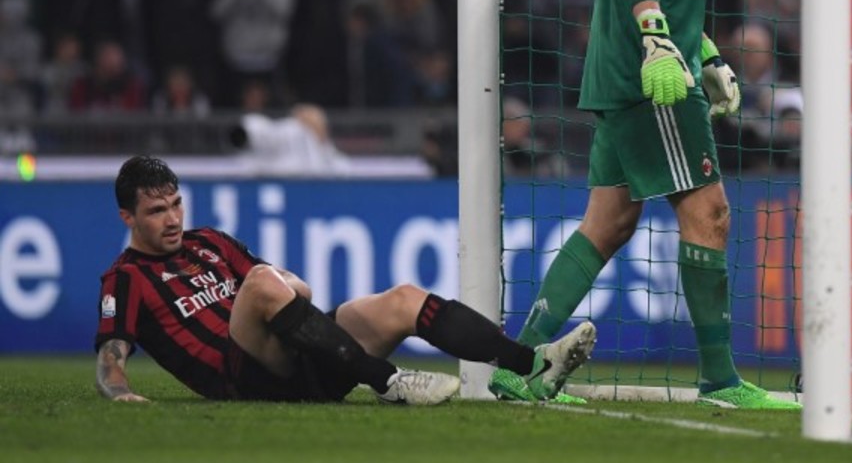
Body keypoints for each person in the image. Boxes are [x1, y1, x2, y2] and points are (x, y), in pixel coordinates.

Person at [489, 0, 798, 409]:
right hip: (652, 75)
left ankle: (518, 367)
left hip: (639, 67)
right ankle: (720, 382)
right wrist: (658, 40)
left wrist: (705, 51)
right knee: (710, 213)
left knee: (608, 222)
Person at [95, 155, 595, 404]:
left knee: (402, 299)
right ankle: (387, 380)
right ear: (126, 218)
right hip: (244, 375)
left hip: (306, 354)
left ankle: (530, 365)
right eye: (157, 211)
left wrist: (288, 288)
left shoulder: (210, 241)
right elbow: (111, 355)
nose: (173, 219)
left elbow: (289, 287)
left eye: (176, 204)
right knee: (264, 282)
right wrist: (118, 392)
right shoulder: (126, 279)